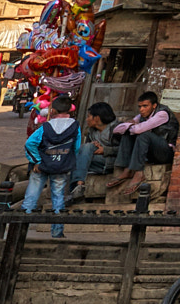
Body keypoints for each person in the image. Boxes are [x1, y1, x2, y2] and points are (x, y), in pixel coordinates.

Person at [22, 98, 80, 237]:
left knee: (31, 196)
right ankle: (57, 232)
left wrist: (36, 161)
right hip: (61, 166)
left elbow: (30, 144)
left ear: (52, 111)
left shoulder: (45, 127)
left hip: (41, 166)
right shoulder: (75, 127)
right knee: (58, 198)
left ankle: (19, 229)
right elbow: (76, 148)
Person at [107, 92, 177, 205]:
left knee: (143, 134)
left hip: (165, 152)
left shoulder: (162, 114)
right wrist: (130, 127)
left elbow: (138, 130)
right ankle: (127, 169)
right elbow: (117, 130)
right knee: (128, 133)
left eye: (145, 106)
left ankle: (139, 172)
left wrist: (130, 126)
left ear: (154, 105)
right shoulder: (142, 116)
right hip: (151, 153)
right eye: (140, 106)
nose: (141, 109)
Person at [74, 102, 116, 197]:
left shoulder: (116, 129)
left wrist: (104, 150)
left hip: (110, 162)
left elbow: (124, 151)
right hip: (96, 162)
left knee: (85, 149)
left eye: (89, 116)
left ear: (97, 118)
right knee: (80, 154)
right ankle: (76, 187)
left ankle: (79, 184)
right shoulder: (92, 132)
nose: (87, 119)